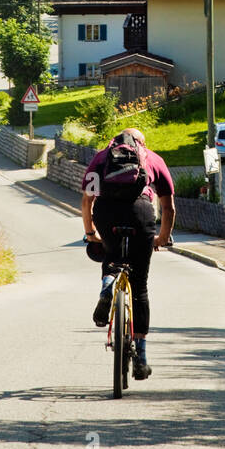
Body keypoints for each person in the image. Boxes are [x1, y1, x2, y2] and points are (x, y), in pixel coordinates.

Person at [81, 127, 175, 381]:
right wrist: (162, 237)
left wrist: (91, 233)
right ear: (141, 143)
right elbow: (168, 207)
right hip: (140, 214)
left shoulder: (102, 157)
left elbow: (87, 200)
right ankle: (141, 359)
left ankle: (107, 287)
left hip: (106, 213)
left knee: (110, 258)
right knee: (140, 286)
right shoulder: (153, 158)